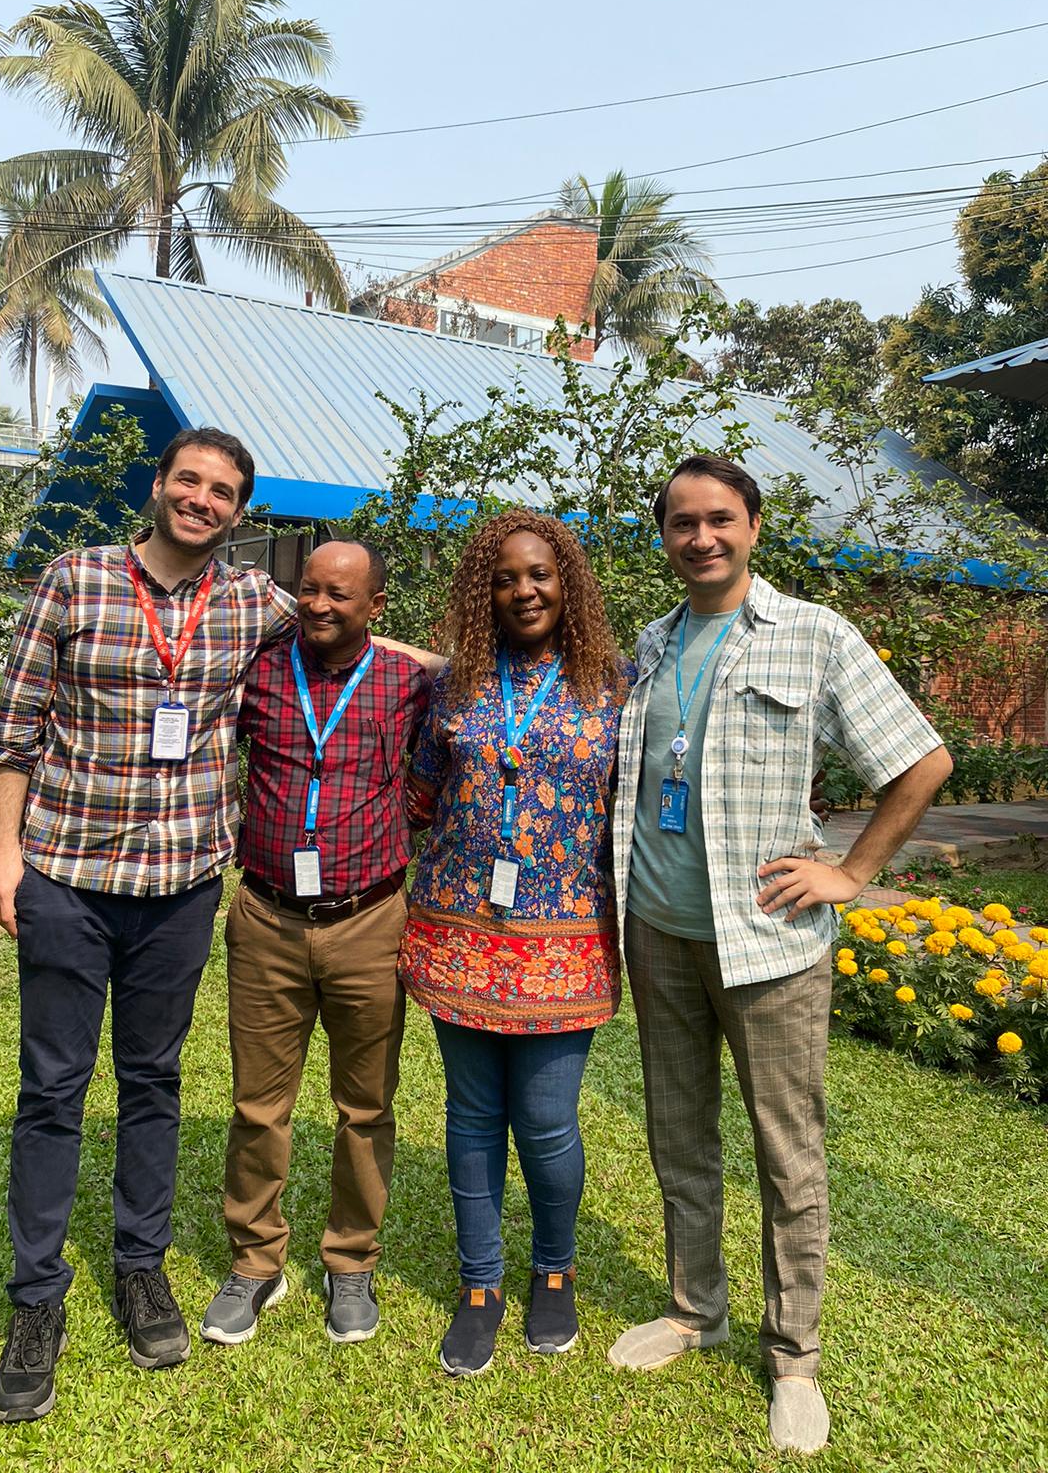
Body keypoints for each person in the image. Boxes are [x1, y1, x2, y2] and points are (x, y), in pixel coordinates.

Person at [608, 455, 952, 1455]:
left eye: (720, 519)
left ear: (753, 526)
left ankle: (793, 1355)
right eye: (682, 522)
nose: (702, 537)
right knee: (681, 1135)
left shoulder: (815, 635)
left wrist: (852, 871)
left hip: (771, 946)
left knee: (786, 1153)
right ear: (665, 535)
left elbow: (923, 759)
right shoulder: (652, 641)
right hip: (660, 932)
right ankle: (693, 1308)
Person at [0, 427, 297, 1423]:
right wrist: (3, 854)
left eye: (224, 491)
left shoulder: (251, 601)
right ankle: (37, 1300)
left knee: (154, 1080)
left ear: (240, 512)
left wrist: (474, 661)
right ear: (160, 487)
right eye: (190, 482)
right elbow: (14, 727)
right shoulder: (76, 579)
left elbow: (348, 630)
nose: (203, 500)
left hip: (181, 885)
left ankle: (139, 1269)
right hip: (67, 880)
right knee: (53, 1088)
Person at [399, 510, 631, 1377]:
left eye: (539, 574)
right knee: (470, 1118)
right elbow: (419, 796)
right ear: (481, 591)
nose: (523, 590)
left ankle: (554, 1271)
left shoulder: (614, 685)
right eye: (504, 578)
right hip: (458, 933)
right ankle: (479, 1285)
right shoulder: (454, 686)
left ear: (565, 582)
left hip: (565, 943)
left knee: (545, 1122)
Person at [200, 540, 432, 1351]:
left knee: (364, 1107)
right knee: (258, 1106)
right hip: (265, 918)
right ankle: (256, 1262)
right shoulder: (257, 670)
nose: (321, 606)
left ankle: (351, 1261)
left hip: (370, 921)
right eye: (310, 590)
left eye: (342, 595)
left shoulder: (409, 682)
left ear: (375, 608)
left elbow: (459, 713)